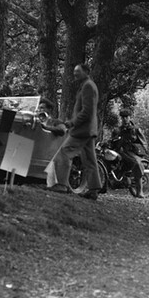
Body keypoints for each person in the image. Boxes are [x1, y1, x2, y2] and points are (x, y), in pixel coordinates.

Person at [47, 63, 102, 200]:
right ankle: (94, 189)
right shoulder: (87, 85)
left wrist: (72, 123)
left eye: (78, 71)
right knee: (89, 160)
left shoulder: (88, 86)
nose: (75, 74)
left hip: (82, 130)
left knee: (64, 152)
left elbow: (87, 111)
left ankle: (62, 185)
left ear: (86, 72)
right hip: (88, 129)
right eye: (74, 71)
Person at [112, 109, 147, 198]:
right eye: (123, 117)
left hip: (132, 152)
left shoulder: (135, 129)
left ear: (130, 117)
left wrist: (143, 153)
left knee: (137, 163)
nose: (124, 119)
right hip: (120, 151)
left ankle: (139, 191)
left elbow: (143, 143)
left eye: (126, 117)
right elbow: (112, 141)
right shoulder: (118, 130)